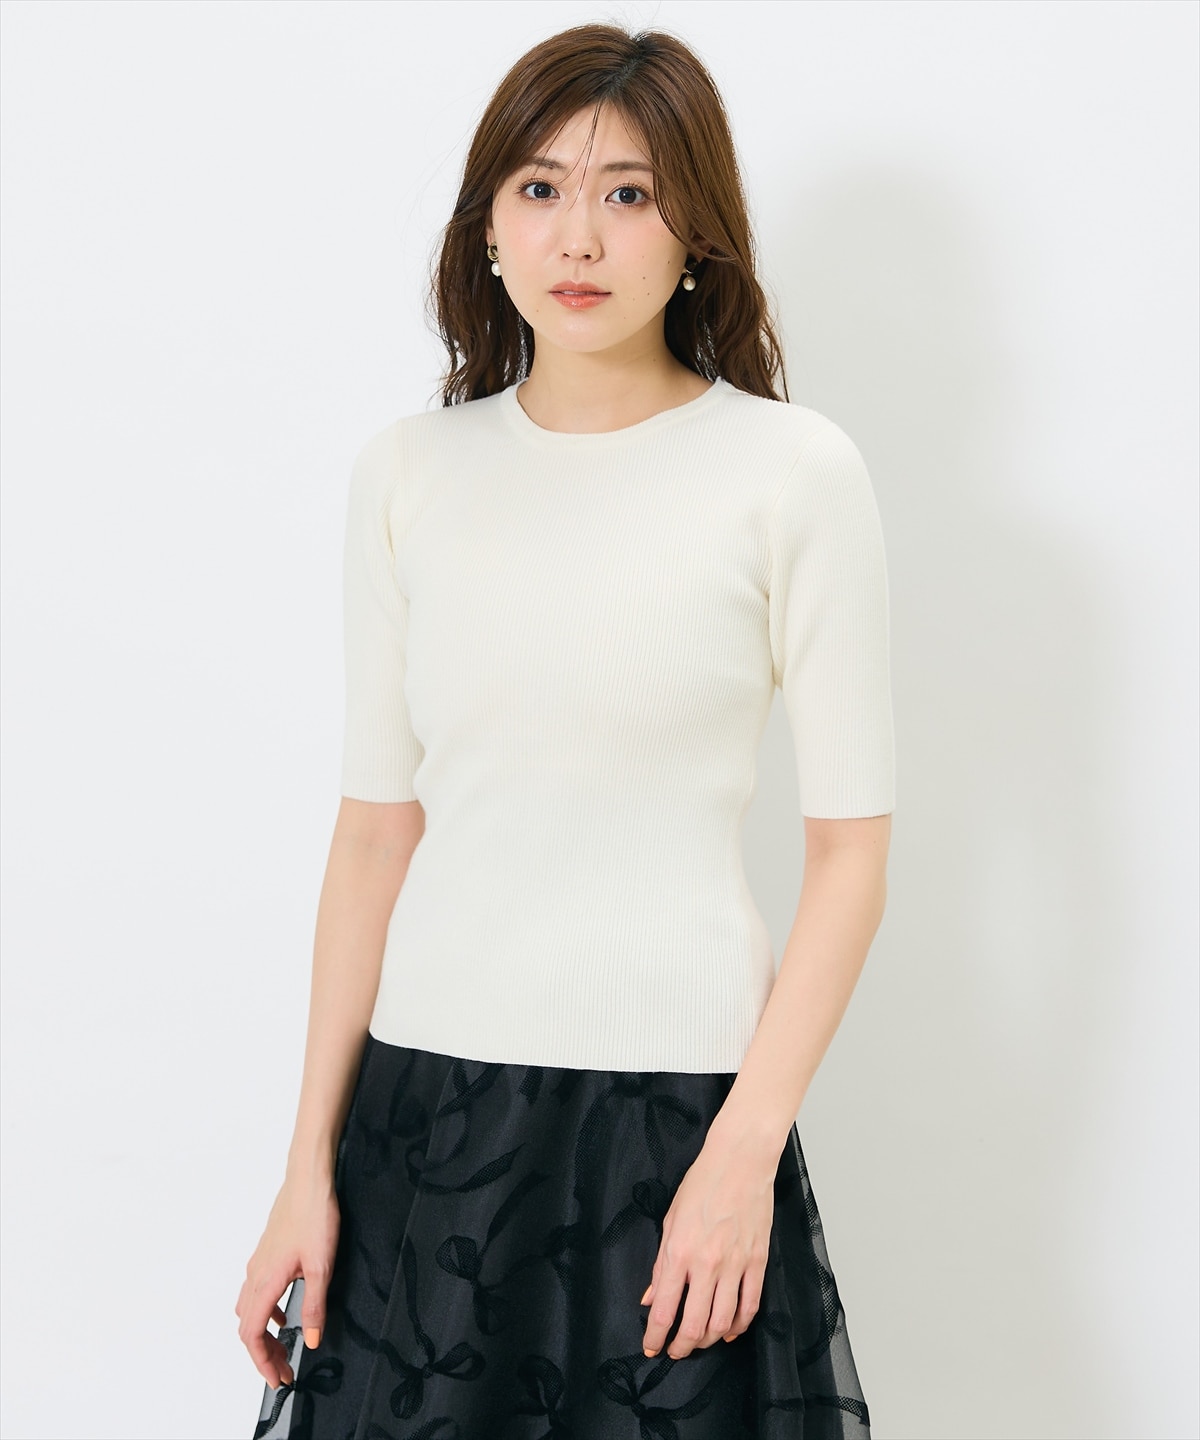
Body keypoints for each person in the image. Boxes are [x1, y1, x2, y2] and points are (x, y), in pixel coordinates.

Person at [239, 22, 894, 1439]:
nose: (578, 236)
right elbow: (373, 834)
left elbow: (851, 856)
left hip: (677, 1121)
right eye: (539, 188)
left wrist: (743, 1155)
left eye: (629, 193)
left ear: (696, 231)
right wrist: (306, 1166)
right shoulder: (407, 474)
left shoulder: (791, 473)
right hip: (423, 1118)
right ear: (487, 225)